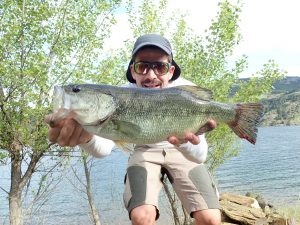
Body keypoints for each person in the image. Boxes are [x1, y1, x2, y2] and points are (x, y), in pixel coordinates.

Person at [45, 34, 221, 225]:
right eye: (142, 66)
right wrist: (87, 137)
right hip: (144, 150)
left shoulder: (186, 92)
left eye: (160, 67)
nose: (151, 75)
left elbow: (200, 156)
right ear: (133, 70)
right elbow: (103, 149)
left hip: (181, 150)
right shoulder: (120, 95)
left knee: (210, 219)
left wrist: (185, 143)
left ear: (171, 71)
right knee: (141, 218)